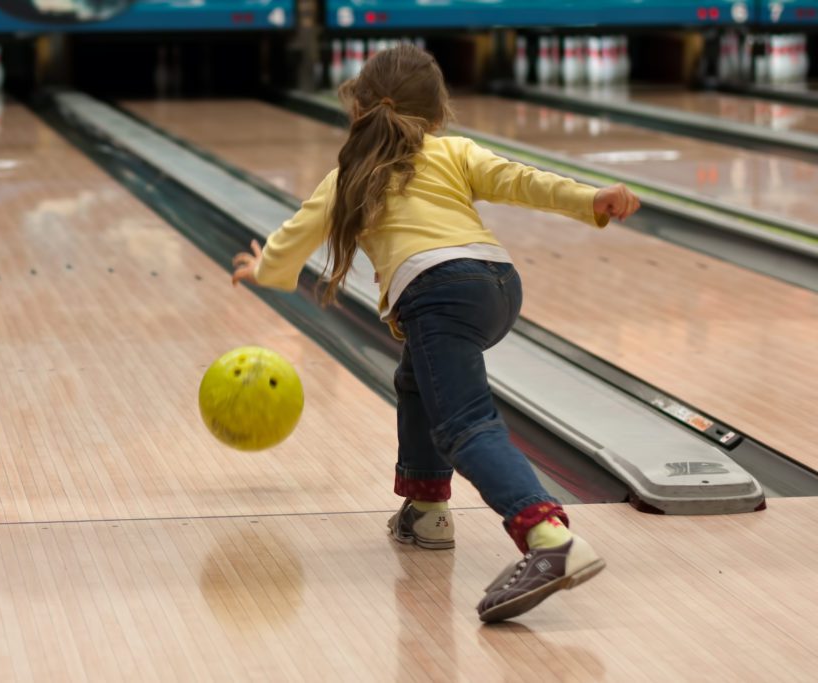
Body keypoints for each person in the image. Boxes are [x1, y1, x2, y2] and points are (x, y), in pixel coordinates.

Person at [231, 44, 640, 622]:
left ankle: (549, 539)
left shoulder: (348, 175)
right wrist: (589, 199)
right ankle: (426, 510)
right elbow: (521, 181)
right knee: (419, 382)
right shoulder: (454, 151)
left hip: (437, 293)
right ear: (439, 113)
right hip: (497, 285)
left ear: (361, 110)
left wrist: (264, 269)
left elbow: (294, 240)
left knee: (466, 422)